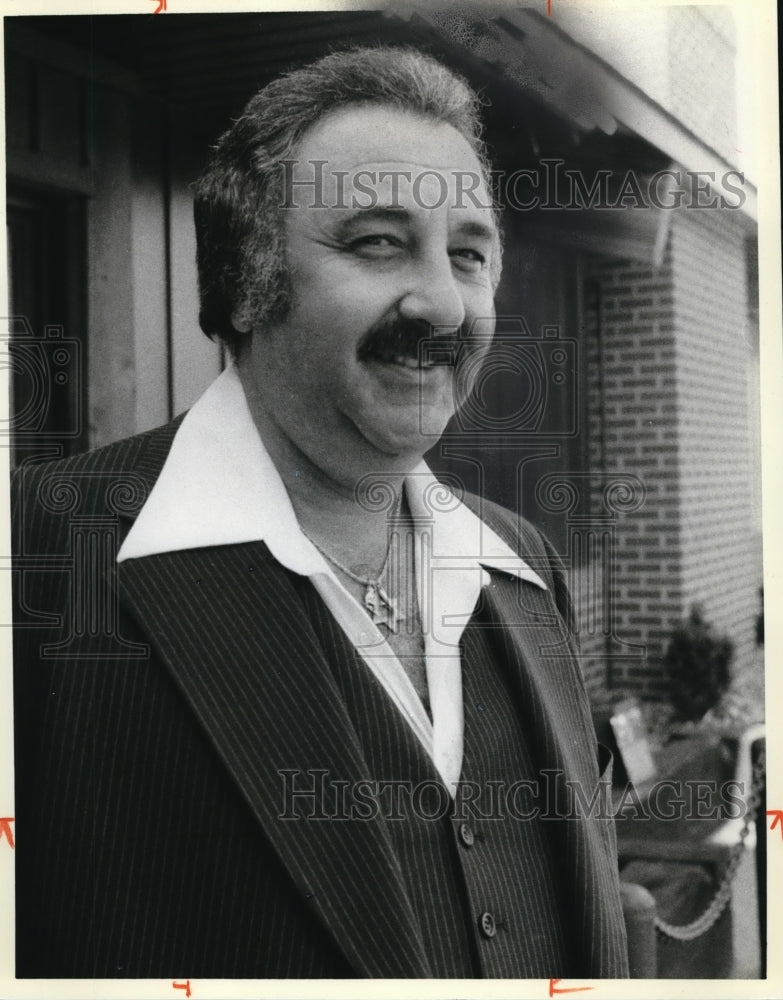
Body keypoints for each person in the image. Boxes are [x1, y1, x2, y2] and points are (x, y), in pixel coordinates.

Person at [12, 46, 628, 979]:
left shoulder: (523, 561)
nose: (443, 303)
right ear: (248, 279)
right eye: (377, 242)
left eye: (469, 254)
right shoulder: (39, 554)